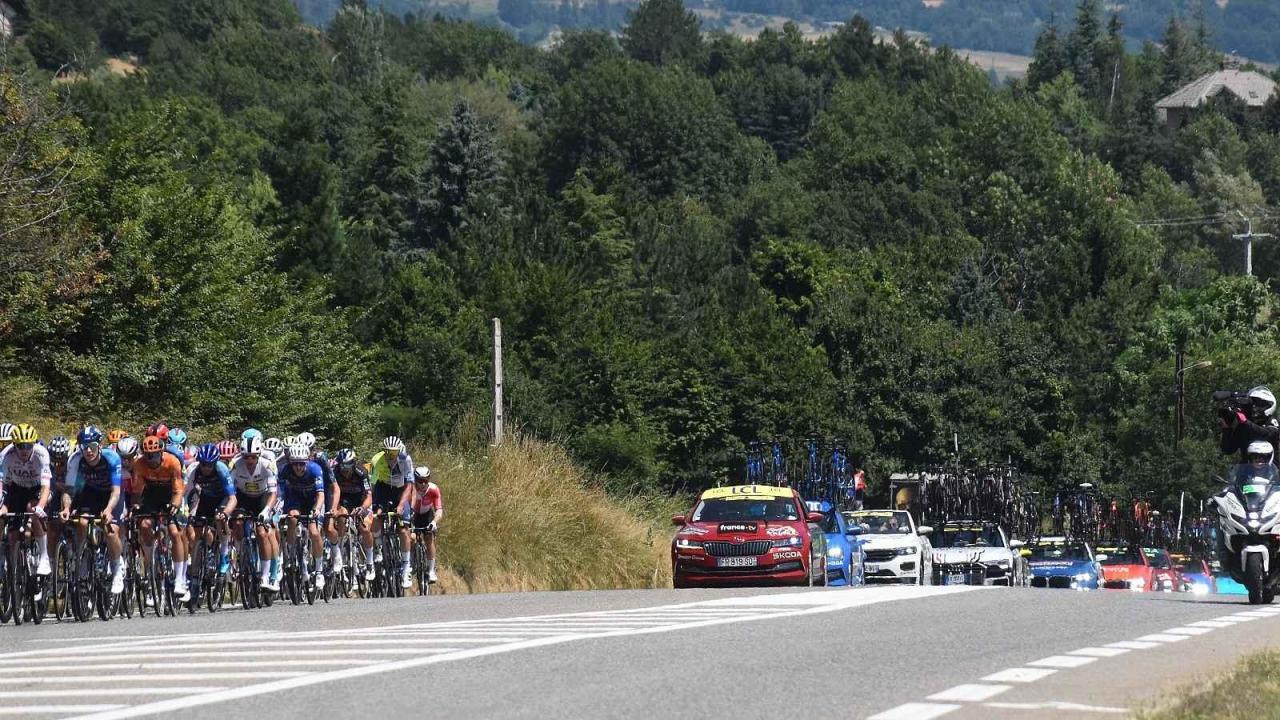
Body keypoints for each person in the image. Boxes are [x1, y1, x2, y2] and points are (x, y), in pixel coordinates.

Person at [66, 426, 127, 593]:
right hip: (91, 492)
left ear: (100, 446)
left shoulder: (112, 458)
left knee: (111, 531)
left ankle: (116, 569)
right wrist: (66, 507)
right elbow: (69, 490)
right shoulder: (75, 459)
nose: (88, 451)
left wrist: (108, 510)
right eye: (84, 447)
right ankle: (83, 559)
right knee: (82, 522)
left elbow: (116, 491)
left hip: (111, 494)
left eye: (92, 446)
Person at [132, 435, 190, 601]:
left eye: (155, 455)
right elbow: (137, 490)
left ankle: (180, 578)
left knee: (174, 531)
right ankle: (150, 560)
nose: (152, 459)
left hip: (171, 493)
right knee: (144, 525)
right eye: (148, 456)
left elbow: (179, 490)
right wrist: (135, 506)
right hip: (151, 495)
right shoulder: (139, 464)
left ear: (161, 452)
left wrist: (175, 505)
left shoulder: (172, 461)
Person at [0, 424, 53, 575]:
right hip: (18, 488)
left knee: (33, 509)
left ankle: (44, 557)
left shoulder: (41, 454)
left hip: (38, 488)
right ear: (14, 444)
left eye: (28, 446)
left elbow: (46, 486)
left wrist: (41, 507)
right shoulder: (6, 455)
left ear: (33, 444)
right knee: (12, 534)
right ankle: (10, 566)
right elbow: (2, 484)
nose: (24, 450)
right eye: (20, 446)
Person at [229, 435, 279, 590]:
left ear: (258, 455)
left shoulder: (267, 465)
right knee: (237, 522)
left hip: (263, 498)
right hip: (243, 497)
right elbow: (230, 490)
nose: (249, 461)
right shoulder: (235, 465)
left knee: (262, 532)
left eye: (252, 457)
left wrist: (266, 510)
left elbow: (273, 494)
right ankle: (240, 553)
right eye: (246, 457)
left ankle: (265, 575)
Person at [184, 443, 237, 576]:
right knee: (197, 526)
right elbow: (185, 494)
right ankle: (206, 552)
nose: (206, 468)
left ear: (215, 463)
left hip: (223, 499)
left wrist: (226, 513)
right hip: (206, 498)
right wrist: (186, 512)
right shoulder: (193, 470)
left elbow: (233, 498)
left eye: (209, 465)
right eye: (203, 464)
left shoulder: (222, 469)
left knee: (219, 518)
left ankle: (224, 554)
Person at [369, 436, 414, 589]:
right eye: (388, 452)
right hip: (383, 488)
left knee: (403, 529)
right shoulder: (378, 460)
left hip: (400, 490)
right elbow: (373, 485)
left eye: (394, 453)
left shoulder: (405, 459)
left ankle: (406, 567)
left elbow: (409, 485)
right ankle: (380, 548)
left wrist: (401, 505)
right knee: (377, 517)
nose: (391, 456)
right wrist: (373, 506)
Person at [279, 443, 326, 590]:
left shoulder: (315, 469)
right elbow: (279, 493)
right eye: (295, 464)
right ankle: (292, 552)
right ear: (290, 463)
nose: (298, 467)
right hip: (296, 500)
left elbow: (320, 494)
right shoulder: (285, 470)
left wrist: (317, 509)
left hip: (312, 500)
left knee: (313, 531)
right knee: (292, 518)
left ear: (307, 462)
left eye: (301, 464)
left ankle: (319, 571)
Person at [332, 448, 374, 580]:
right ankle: (339, 550)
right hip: (343, 501)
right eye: (342, 465)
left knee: (364, 528)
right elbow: (332, 494)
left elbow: (369, 496)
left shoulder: (361, 472)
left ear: (353, 463)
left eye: (348, 465)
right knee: (341, 519)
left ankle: (369, 563)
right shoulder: (335, 473)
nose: (345, 469)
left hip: (360, 501)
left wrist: (362, 507)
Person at [1220, 386, 1280, 463]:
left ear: (1269, 405)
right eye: (1253, 403)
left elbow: (1266, 433)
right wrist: (1226, 429)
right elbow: (1228, 450)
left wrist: (1245, 421)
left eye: (1259, 403)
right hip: (1246, 471)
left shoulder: (1272, 422)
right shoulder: (1243, 426)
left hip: (1271, 472)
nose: (1254, 407)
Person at [411, 465, 442, 585]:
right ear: (415, 480)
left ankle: (431, 570)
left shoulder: (434, 489)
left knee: (429, 538)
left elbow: (439, 509)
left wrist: (434, 522)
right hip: (414, 516)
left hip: (427, 515)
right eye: (420, 481)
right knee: (411, 537)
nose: (423, 484)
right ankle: (412, 562)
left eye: (426, 480)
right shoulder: (411, 488)